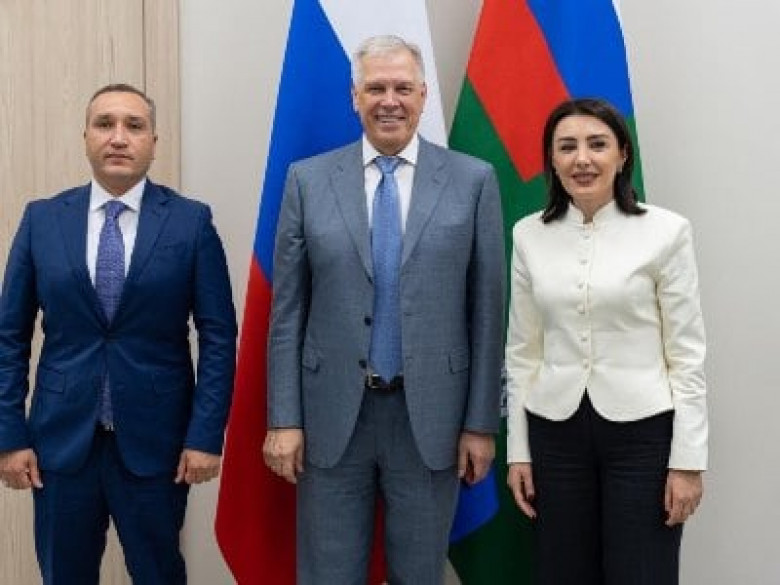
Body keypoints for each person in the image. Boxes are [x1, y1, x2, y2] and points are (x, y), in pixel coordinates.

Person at [262, 35, 505, 584]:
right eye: (375, 88)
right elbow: (287, 314)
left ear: (423, 95)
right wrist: (284, 418)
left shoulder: (473, 181)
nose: (389, 100)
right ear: (355, 97)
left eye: (402, 88)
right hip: (330, 420)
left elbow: (487, 315)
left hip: (432, 422)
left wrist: (480, 424)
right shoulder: (307, 180)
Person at [0, 83, 237, 584]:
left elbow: (218, 337)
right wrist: (9, 435)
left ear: (154, 141)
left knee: (159, 574)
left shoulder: (191, 223)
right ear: (86, 136)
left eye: (134, 125)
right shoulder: (42, 219)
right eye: (105, 124)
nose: (119, 137)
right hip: (60, 445)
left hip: (158, 446)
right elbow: (9, 337)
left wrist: (205, 436)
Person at [505, 97, 708, 584]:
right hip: (555, 434)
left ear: (622, 154)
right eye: (566, 147)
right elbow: (522, 352)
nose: (582, 159)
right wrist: (519, 451)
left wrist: (688, 462)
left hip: (644, 435)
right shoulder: (528, 234)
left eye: (597, 144)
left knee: (642, 572)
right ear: (551, 160)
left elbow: (687, 355)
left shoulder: (666, 231)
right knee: (562, 572)